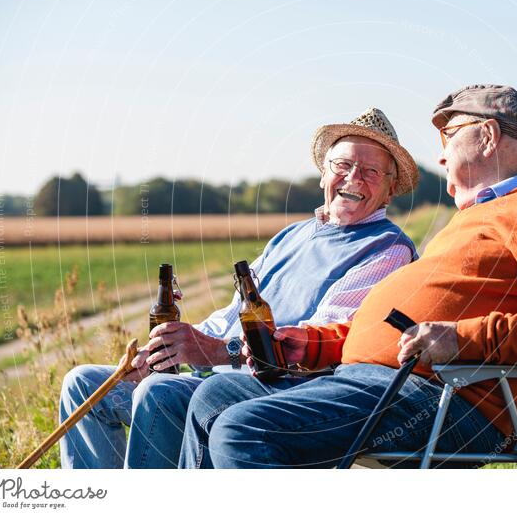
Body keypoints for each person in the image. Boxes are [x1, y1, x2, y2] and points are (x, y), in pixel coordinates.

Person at [178, 84, 517, 468]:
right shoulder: (473, 220)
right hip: (370, 380)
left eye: (448, 136)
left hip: (439, 399)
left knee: (242, 429)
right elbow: (394, 329)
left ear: (488, 136)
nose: (441, 154)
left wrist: (459, 339)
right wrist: (309, 344)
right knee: (212, 398)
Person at [58, 107, 419, 468]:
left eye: (371, 171)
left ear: (388, 192)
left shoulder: (386, 248)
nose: (353, 178)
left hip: (270, 394)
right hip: (213, 377)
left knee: (159, 392)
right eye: (343, 165)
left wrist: (218, 352)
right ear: (324, 175)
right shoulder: (292, 236)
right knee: (84, 385)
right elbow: (233, 314)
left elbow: (316, 342)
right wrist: (169, 351)